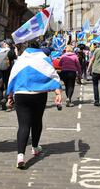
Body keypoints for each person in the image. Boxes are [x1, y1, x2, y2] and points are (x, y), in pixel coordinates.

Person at [7, 41, 62, 169]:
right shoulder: (44, 59)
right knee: (37, 121)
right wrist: (58, 92)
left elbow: (12, 77)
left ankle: (20, 155)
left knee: (23, 125)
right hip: (39, 94)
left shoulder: (20, 60)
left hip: (21, 94)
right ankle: (35, 147)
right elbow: (52, 75)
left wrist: (10, 95)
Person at [0, 40, 17, 111]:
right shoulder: (10, 52)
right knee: (7, 88)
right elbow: (15, 58)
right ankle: (5, 100)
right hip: (7, 72)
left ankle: (0, 104)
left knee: (0, 88)